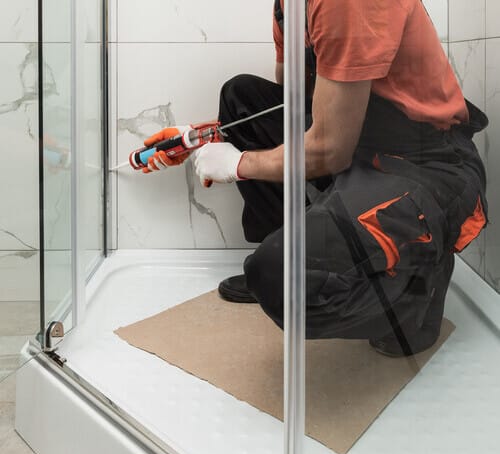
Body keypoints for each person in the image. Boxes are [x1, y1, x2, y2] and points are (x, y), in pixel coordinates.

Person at [143, 0, 488, 357]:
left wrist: (239, 164)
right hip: (363, 144)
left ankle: (412, 299)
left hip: (424, 164)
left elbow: (329, 149)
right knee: (240, 96)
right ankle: (300, 242)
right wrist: (207, 137)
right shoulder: (287, 7)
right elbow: (298, 100)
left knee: (279, 277)